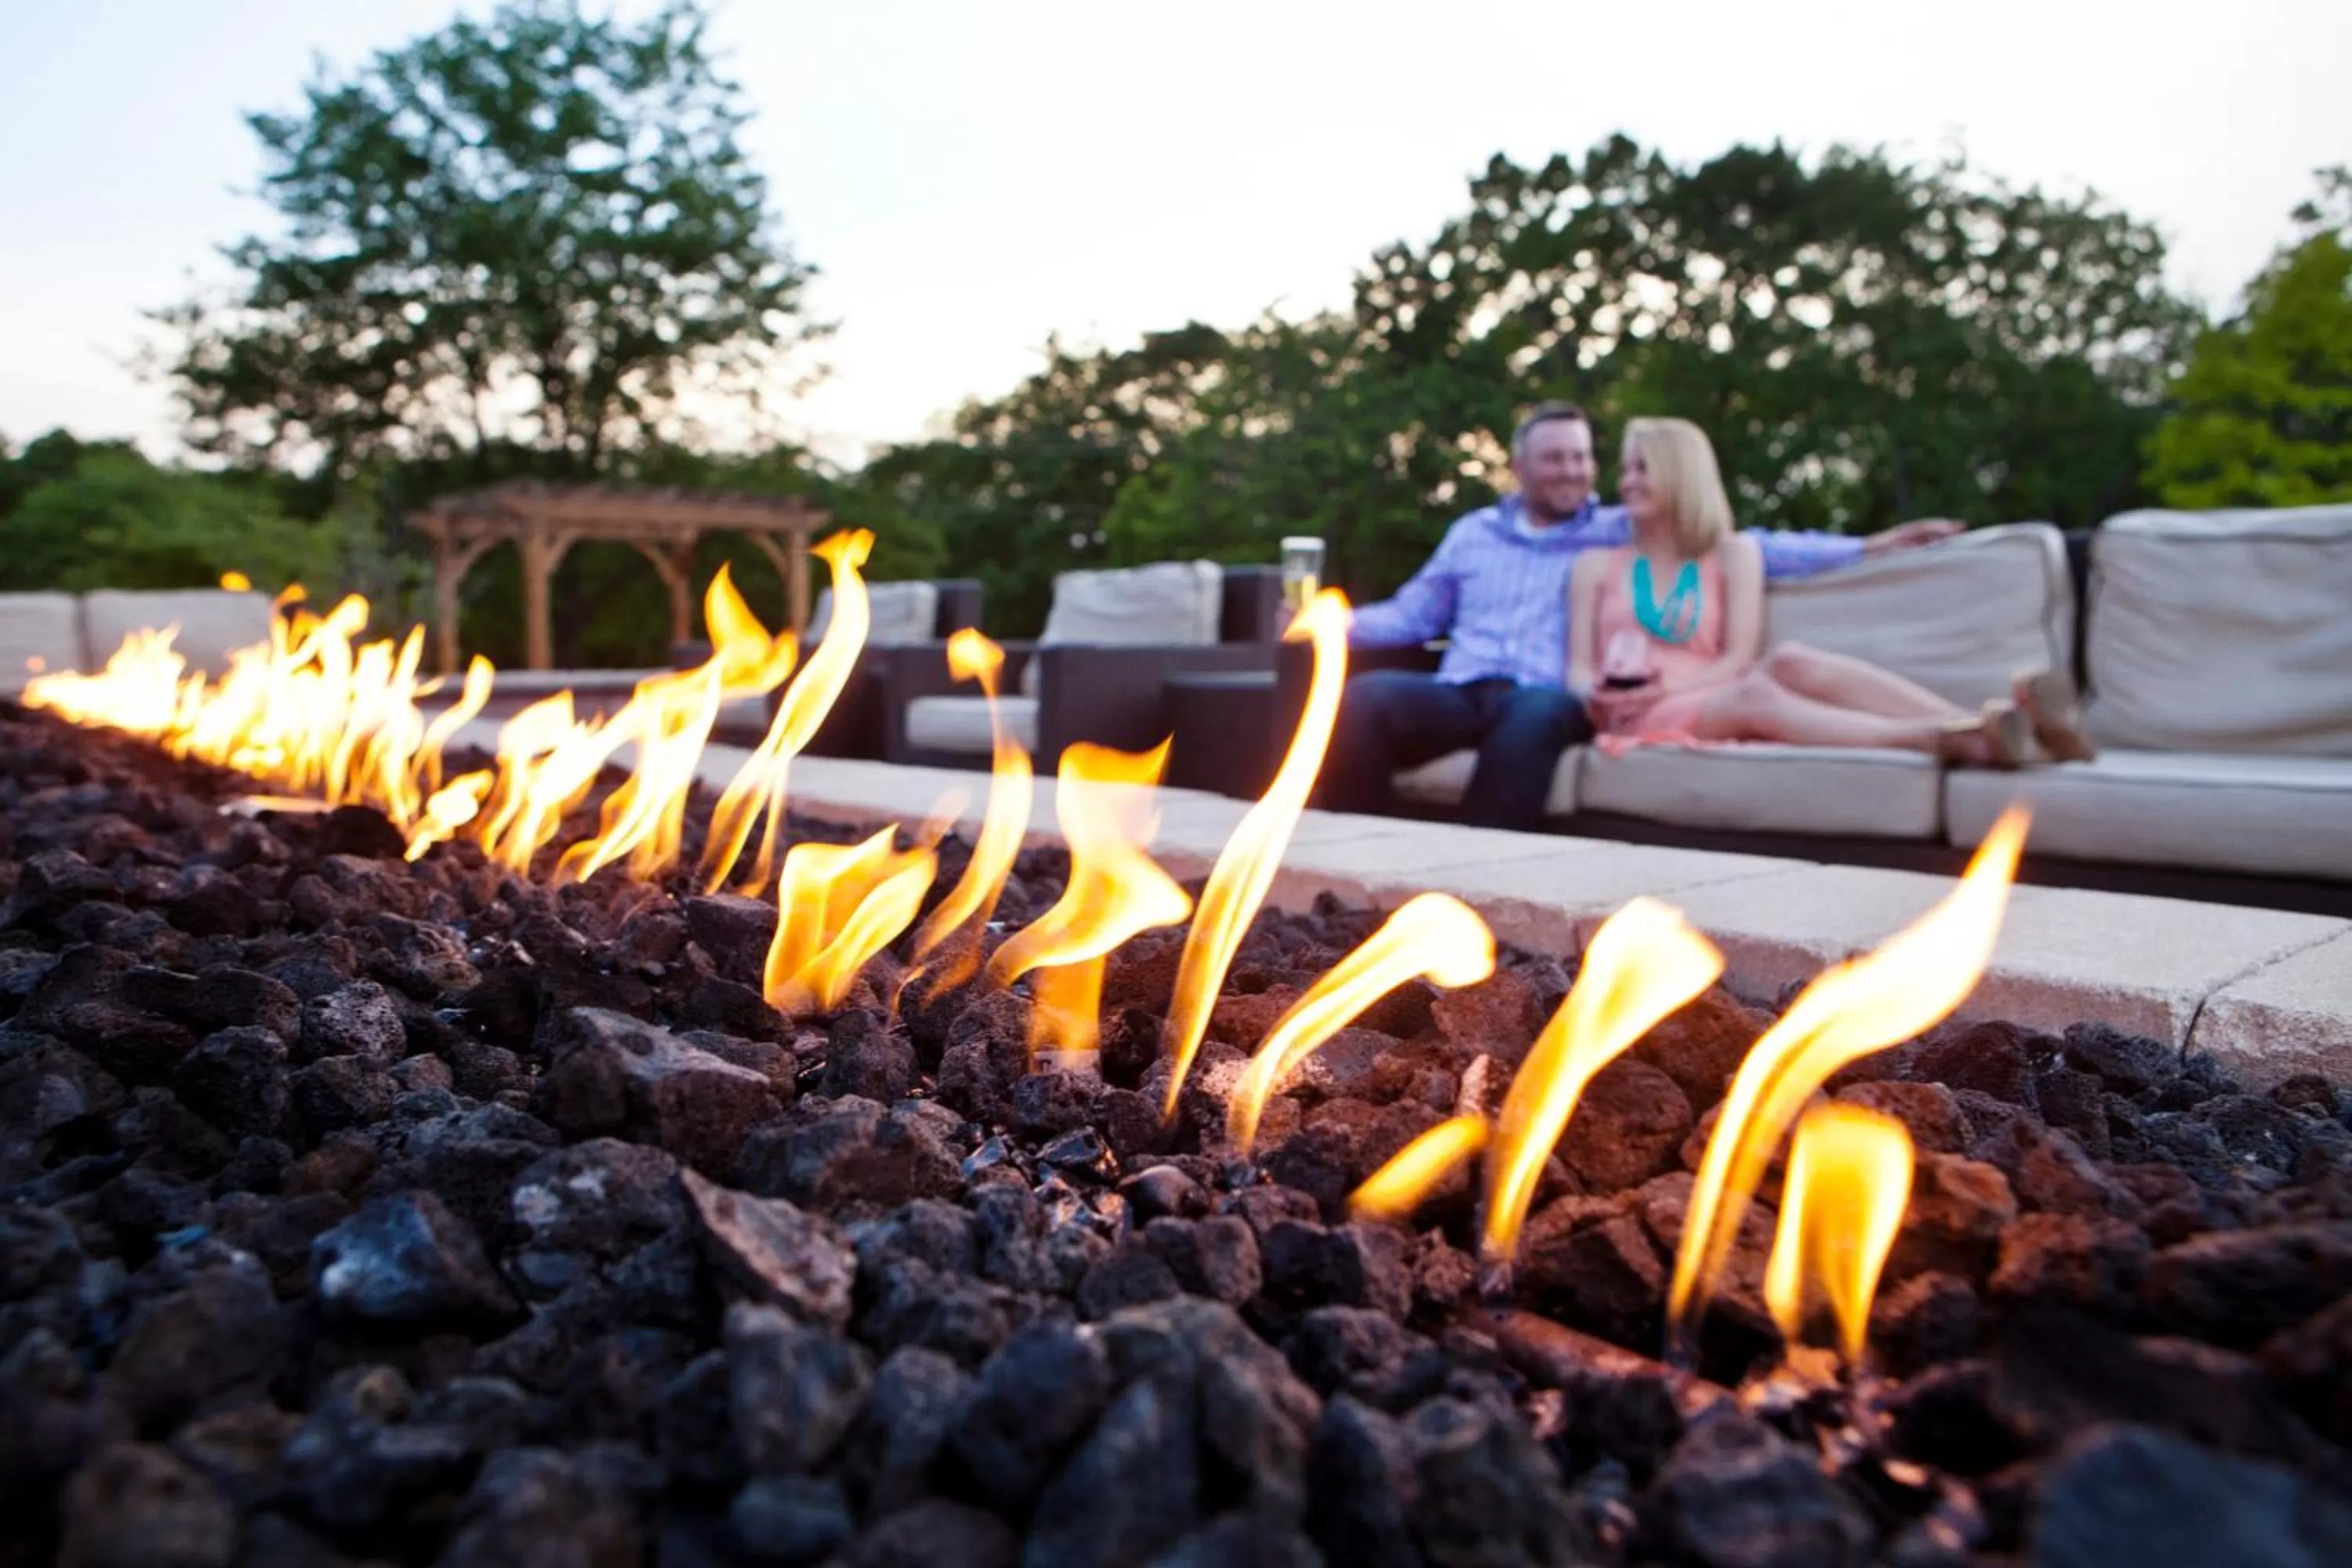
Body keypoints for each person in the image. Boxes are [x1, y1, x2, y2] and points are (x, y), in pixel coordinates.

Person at [1319, 401, 1962, 829]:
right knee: (1363, 699)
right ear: (1519, 468)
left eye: (1581, 457)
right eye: (1556, 459)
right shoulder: (1472, 534)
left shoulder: (1614, 527)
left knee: (1535, 715)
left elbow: (1748, 543)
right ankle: (1363, 861)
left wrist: (1868, 546)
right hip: (1461, 688)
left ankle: (1479, 876)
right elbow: (1410, 614)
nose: (1574, 470)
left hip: (1547, 697)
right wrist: (1324, 622)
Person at [1568, 416, 2092, 764]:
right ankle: (1951, 738)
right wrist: (1593, 698)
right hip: (1640, 717)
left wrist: (1873, 545)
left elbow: (1737, 657)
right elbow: (1577, 668)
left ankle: (2000, 726)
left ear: (1680, 474)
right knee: (1757, 694)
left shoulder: (1734, 553)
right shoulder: (1596, 565)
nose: (1626, 481)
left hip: (1708, 687)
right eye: (1626, 468)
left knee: (1792, 659)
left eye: (1642, 468)